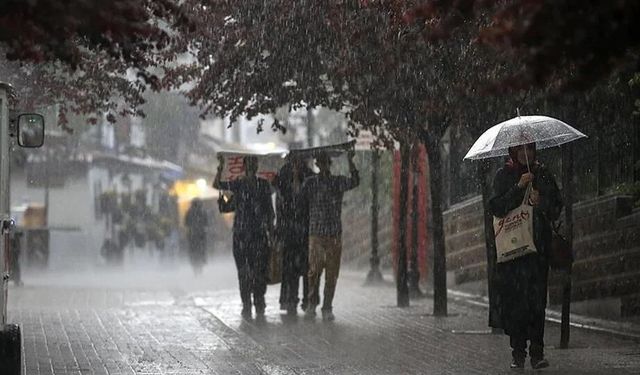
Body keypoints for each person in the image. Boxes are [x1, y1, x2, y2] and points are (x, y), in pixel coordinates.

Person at [488, 142, 563, 370]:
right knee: (516, 304)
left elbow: (556, 207)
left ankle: (537, 352)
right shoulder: (504, 175)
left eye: (529, 149)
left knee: (537, 302)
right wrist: (518, 188)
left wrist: (543, 202)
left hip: (537, 251)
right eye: (520, 149)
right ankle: (518, 352)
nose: (525, 153)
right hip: (513, 253)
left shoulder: (542, 173)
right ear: (513, 152)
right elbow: (497, 207)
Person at [213, 155, 274, 319]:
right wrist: (220, 167)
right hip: (242, 235)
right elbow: (217, 185)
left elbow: (269, 211)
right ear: (246, 167)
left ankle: (258, 301)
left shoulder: (263, 185)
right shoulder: (239, 185)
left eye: (254, 164)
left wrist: (271, 231)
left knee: (259, 271)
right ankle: (247, 303)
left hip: (258, 235)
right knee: (244, 272)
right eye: (250, 164)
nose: (252, 167)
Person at [302, 149, 359, 321]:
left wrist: (350, 161)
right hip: (316, 233)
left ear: (329, 164)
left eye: (325, 162)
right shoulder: (310, 183)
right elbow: (298, 197)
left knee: (332, 273)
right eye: (320, 162)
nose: (323, 165)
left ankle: (327, 306)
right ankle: (312, 303)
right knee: (314, 270)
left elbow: (355, 181)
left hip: (333, 232)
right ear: (317, 164)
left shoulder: (337, 182)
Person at [272, 154, 314, 315]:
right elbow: (281, 200)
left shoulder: (308, 176)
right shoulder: (284, 174)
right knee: (290, 268)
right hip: (289, 230)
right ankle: (291, 299)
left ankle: (306, 299)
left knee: (306, 267)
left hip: (304, 229)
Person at [185, 198, 209, 275]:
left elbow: (186, 224)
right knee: (201, 252)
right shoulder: (203, 212)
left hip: (192, 236)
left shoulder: (189, 212)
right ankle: (200, 267)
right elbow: (206, 223)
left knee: (193, 252)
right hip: (201, 236)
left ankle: (195, 268)